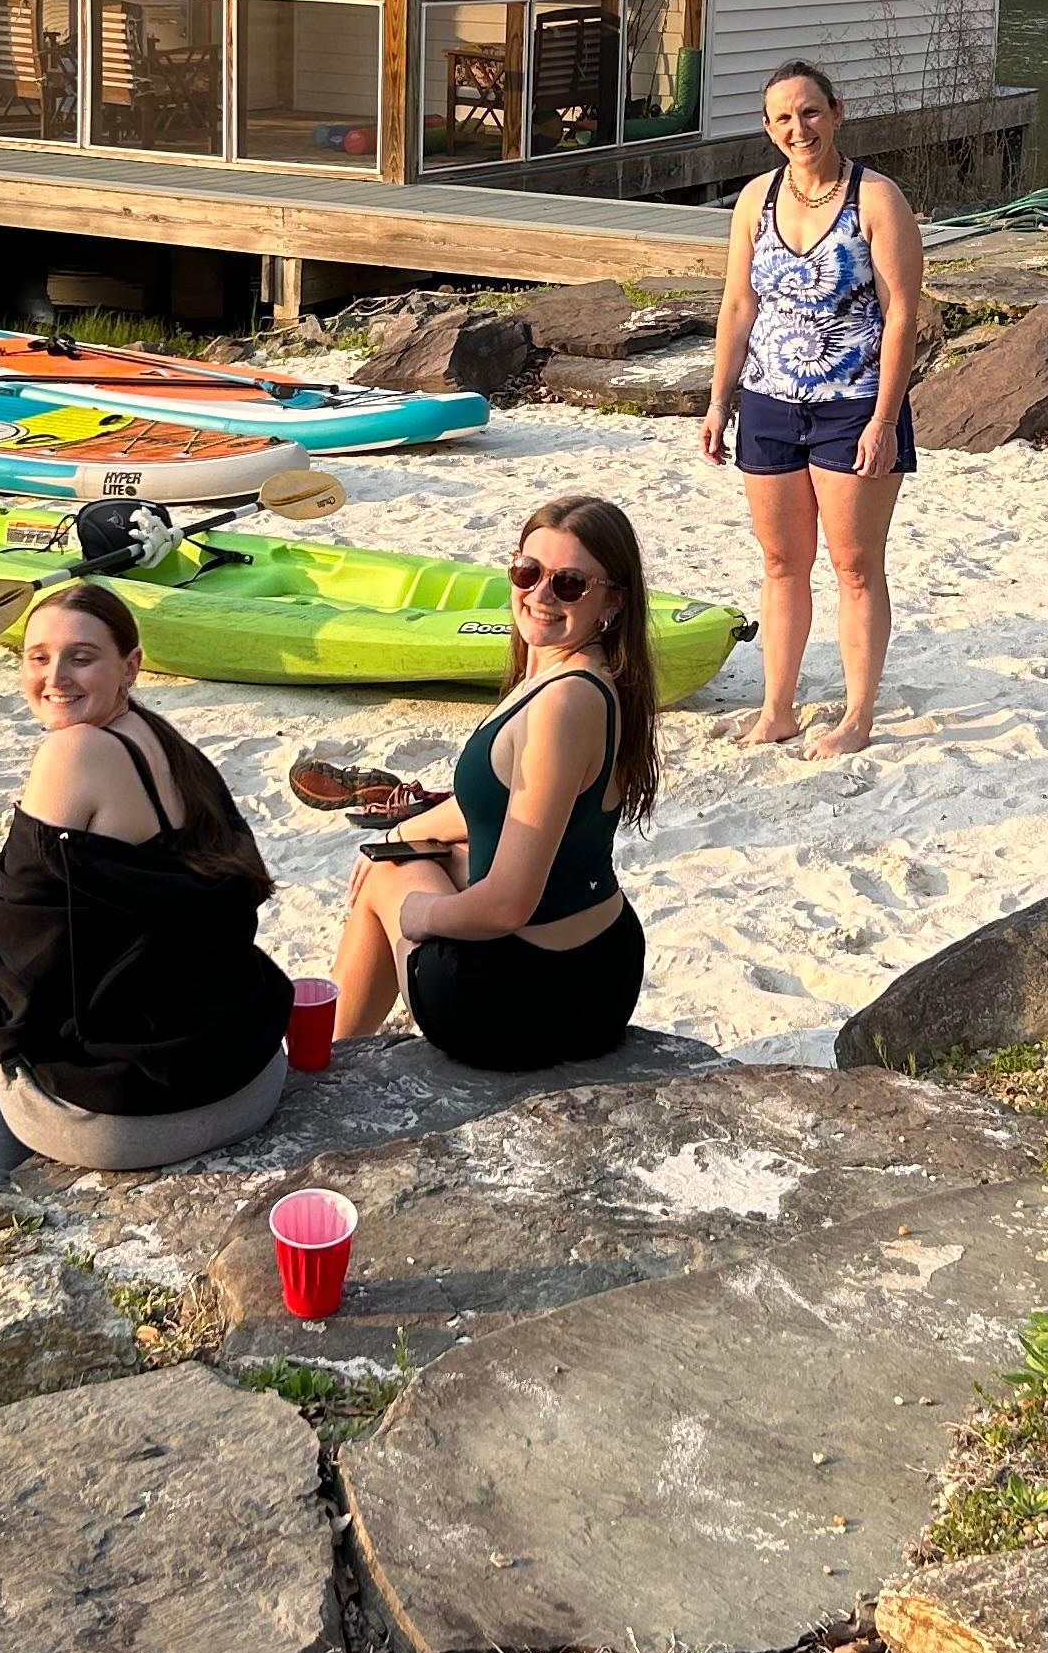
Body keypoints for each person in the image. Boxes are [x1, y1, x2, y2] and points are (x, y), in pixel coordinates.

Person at [0, 586, 292, 1188]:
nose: (55, 677)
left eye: (80, 657)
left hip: (145, 1113)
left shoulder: (73, 751)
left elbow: (11, 967)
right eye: (37, 657)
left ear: (130, 665)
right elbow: (15, 879)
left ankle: (7, 1200)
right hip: (248, 1070)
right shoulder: (163, 741)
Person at [330, 494, 658, 1071]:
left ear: (612, 600)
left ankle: (325, 1063)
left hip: (524, 998)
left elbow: (507, 905)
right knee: (415, 855)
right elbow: (491, 806)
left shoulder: (564, 704)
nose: (539, 595)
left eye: (569, 584)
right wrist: (401, 833)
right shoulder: (592, 675)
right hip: (600, 960)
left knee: (386, 883)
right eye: (527, 573)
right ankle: (334, 1047)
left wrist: (414, 915)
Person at [702, 61, 927, 755]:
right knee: (780, 562)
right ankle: (778, 708)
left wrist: (884, 419)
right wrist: (719, 401)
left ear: (835, 110)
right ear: (769, 129)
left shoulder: (877, 200)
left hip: (853, 404)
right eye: (782, 118)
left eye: (809, 112)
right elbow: (738, 305)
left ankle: (857, 717)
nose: (798, 129)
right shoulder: (754, 200)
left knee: (855, 566)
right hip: (769, 404)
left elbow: (902, 317)